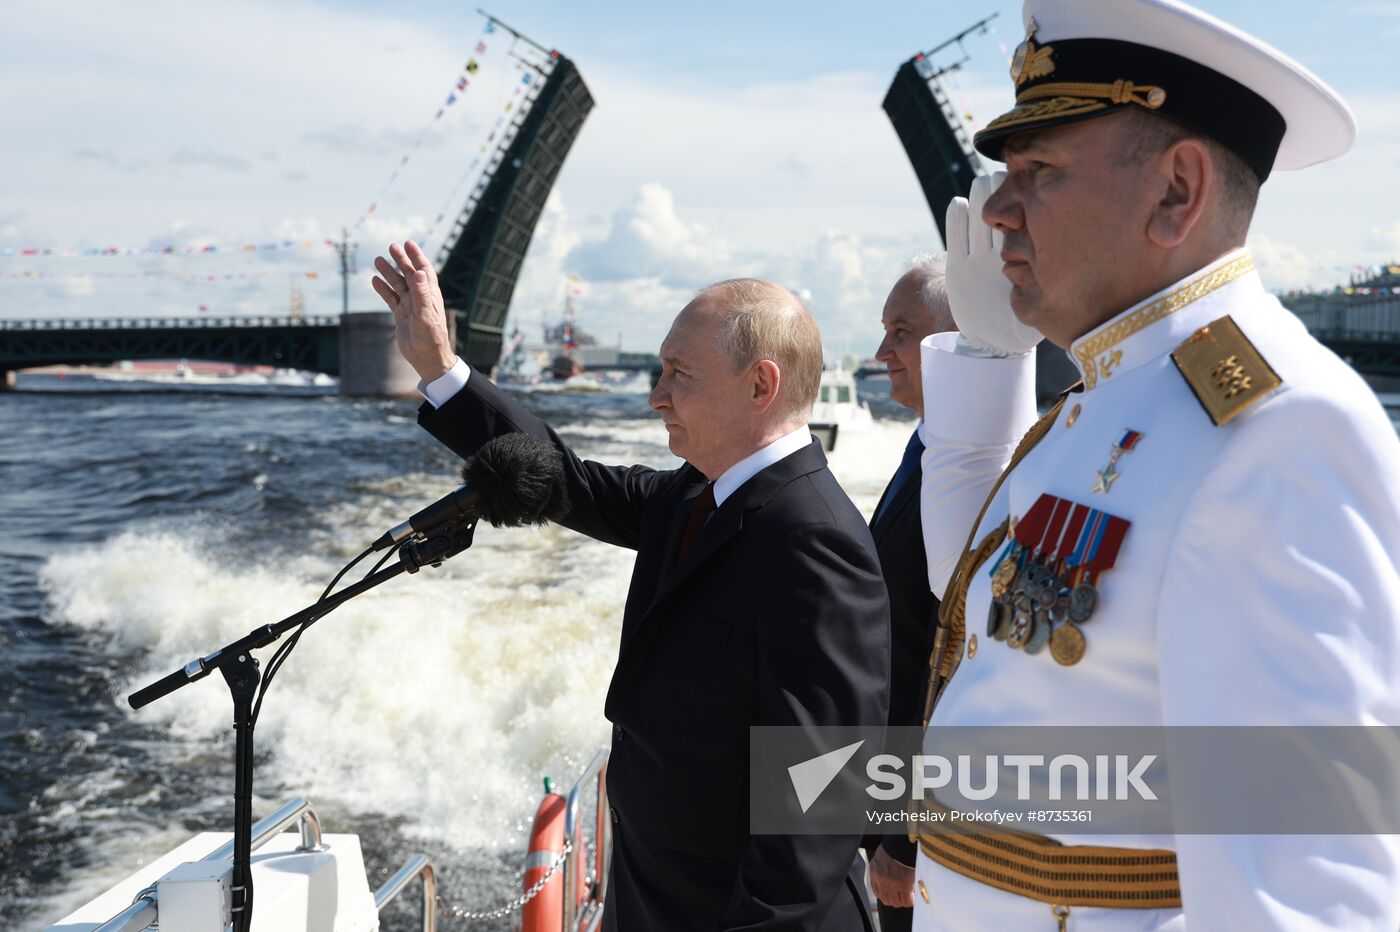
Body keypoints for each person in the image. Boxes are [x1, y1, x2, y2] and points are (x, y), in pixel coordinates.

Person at [911, 0, 1400, 929]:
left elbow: (1302, 891)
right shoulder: (1109, 397)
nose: (998, 211)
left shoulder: (1277, 430)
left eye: (1039, 172)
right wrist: (987, 358)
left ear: (1177, 192)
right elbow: (989, 619)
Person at [371, 245, 890, 931]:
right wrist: (441, 370)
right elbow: (564, 480)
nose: (656, 395)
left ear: (760, 386)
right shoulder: (697, 493)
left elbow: (823, 796)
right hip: (653, 896)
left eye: (679, 374)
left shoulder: (813, 539)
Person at [862, 255, 953, 932]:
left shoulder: (968, 473)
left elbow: (947, 665)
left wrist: (906, 839)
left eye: (901, 331)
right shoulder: (927, 449)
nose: (881, 350)